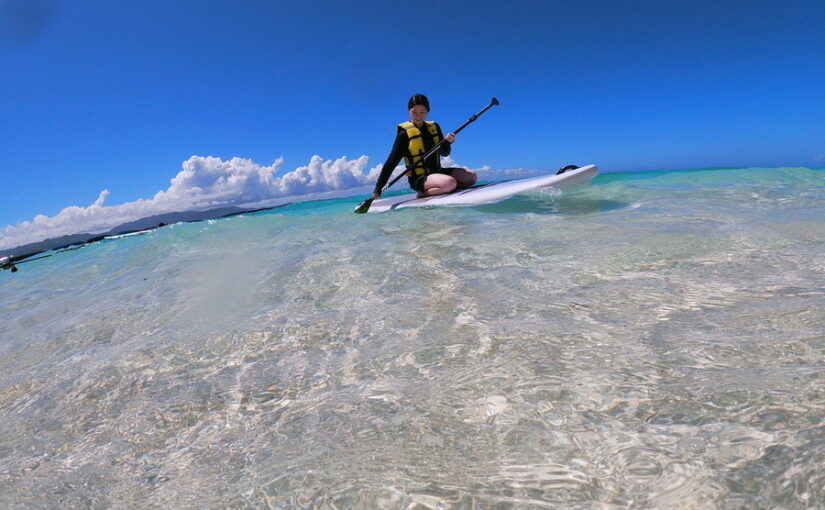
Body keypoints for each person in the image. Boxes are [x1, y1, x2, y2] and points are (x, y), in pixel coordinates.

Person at [371, 94, 477, 201]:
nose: (418, 116)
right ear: (409, 111)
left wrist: (448, 142)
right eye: (414, 112)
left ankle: (444, 187)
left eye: (422, 112)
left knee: (472, 177)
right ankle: (424, 193)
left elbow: (444, 153)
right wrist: (377, 190)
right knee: (449, 183)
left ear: (428, 112)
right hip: (419, 179)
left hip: (438, 172)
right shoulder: (404, 134)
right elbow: (391, 162)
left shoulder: (434, 127)